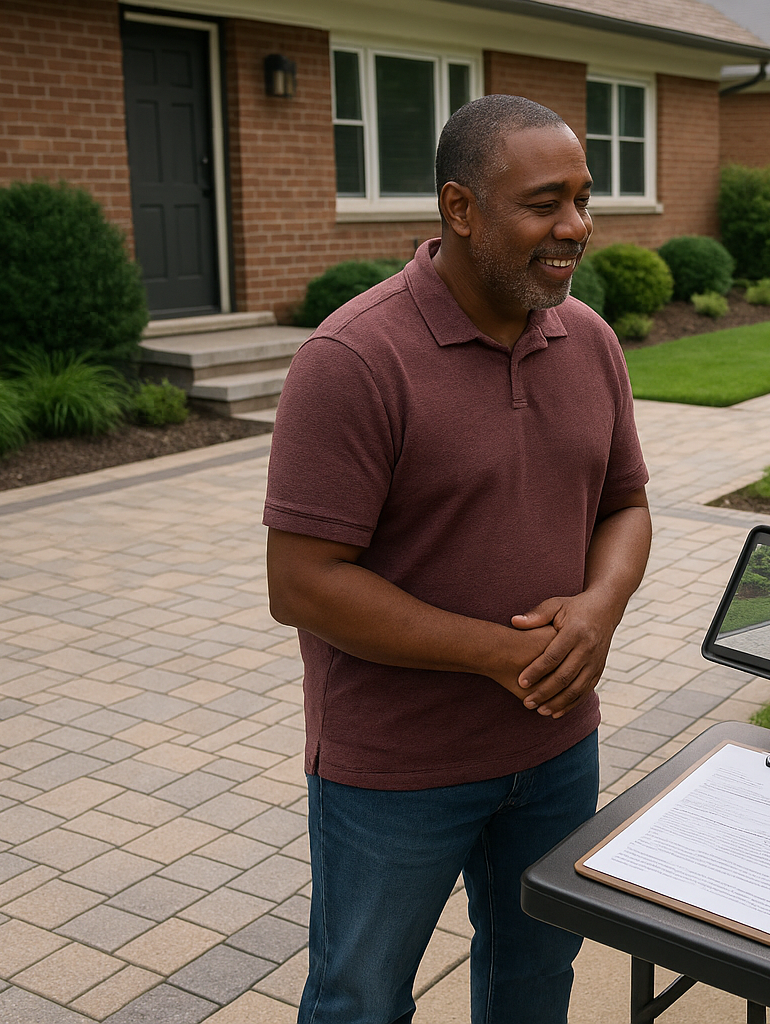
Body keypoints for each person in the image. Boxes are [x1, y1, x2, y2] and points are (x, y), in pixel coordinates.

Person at [263, 95, 651, 1024]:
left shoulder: (588, 340)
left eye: (584, 200)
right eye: (545, 203)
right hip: (397, 767)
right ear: (460, 207)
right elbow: (302, 584)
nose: (577, 229)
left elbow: (627, 504)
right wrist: (497, 651)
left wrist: (598, 607)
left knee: (533, 983)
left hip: (557, 749)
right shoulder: (354, 358)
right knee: (360, 998)